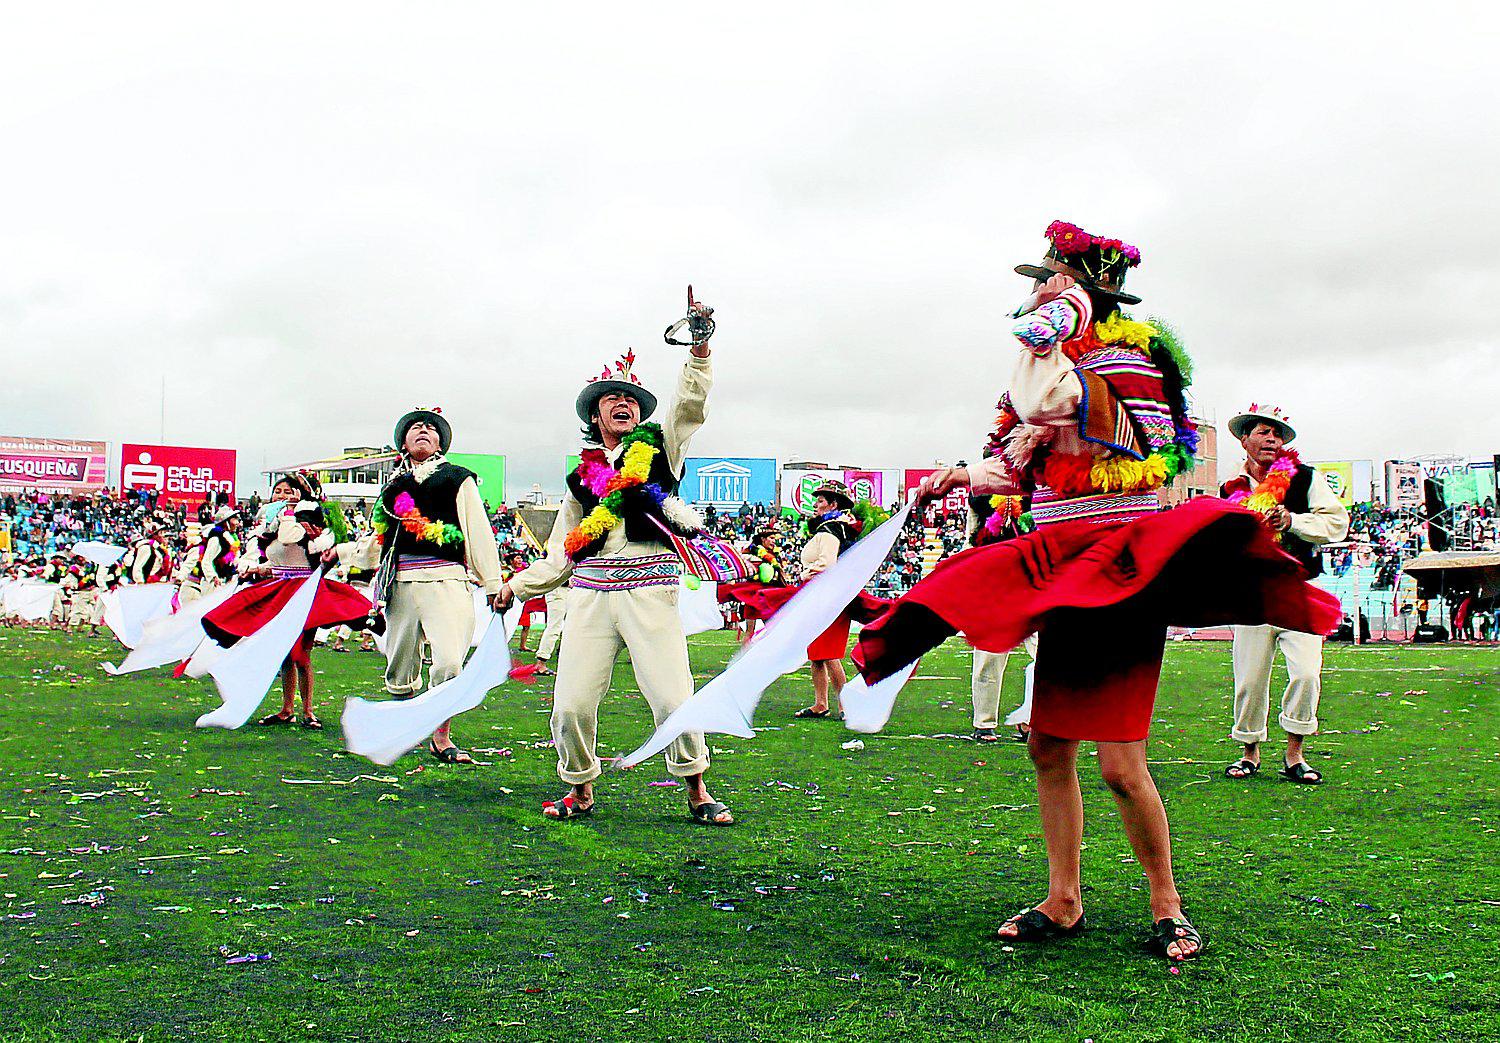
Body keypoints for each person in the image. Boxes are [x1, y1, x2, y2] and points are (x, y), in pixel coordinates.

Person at [854, 220, 1340, 962]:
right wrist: (957, 476)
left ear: (1083, 285)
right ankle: (1065, 896)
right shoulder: (1054, 362)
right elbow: (1015, 464)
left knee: (1119, 761)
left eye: (1049, 277)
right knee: (1048, 744)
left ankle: (1167, 903)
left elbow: (1061, 404)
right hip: (1058, 560)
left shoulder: (1132, 360)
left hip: (1119, 564)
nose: (1036, 290)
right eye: (1037, 280)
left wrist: (1049, 332)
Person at [496, 301, 735, 826]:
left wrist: (698, 351)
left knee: (674, 699)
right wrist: (518, 583)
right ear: (595, 415)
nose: (623, 403)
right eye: (612, 398)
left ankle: (696, 788)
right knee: (571, 706)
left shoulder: (660, 449)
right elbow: (563, 547)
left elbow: (687, 408)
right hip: (589, 595)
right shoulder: (582, 478)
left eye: (630, 398)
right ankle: (579, 788)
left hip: (651, 590)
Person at [335, 408, 503, 763]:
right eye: (415, 428)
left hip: (447, 580)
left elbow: (478, 531)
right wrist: (340, 554)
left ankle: (441, 736)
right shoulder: (394, 489)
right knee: (399, 665)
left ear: (441, 441)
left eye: (431, 427)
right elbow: (378, 540)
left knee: (448, 663)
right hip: (402, 583)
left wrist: (492, 583)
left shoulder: (458, 478)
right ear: (403, 443)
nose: (423, 430)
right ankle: (405, 725)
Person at [1220, 405, 1349, 785]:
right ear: (1245, 440)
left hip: (1299, 589)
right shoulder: (1230, 487)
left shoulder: (1305, 478)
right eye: (1264, 432)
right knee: (1249, 678)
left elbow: (1337, 522)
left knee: (1307, 673)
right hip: (1251, 594)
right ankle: (1249, 752)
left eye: (1278, 435)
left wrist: (1293, 520)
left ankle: (1295, 754)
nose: (1272, 440)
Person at [202, 473, 370, 731]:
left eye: (288, 491)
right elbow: (277, 563)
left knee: (301, 654)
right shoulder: (270, 528)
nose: (282, 496)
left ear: (301, 493)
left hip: (303, 593)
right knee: (284, 654)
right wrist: (256, 570)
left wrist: (288, 517)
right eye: (278, 491)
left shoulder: (308, 522)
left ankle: (308, 710)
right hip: (280, 592)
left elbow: (308, 550)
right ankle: (287, 708)